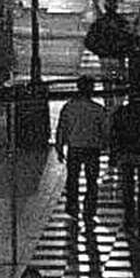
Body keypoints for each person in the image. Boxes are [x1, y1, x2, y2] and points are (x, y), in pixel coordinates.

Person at [56, 75, 109, 223]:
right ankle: (89, 210)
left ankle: (72, 207)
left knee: (73, 179)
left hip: (75, 148)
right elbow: (105, 131)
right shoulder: (98, 110)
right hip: (92, 149)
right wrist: (105, 145)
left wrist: (59, 147)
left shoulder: (69, 107)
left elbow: (62, 129)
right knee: (92, 180)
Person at [111, 93, 140, 235]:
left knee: (127, 187)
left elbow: (115, 134)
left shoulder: (121, 113)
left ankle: (129, 217)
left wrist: (114, 153)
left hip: (126, 154)